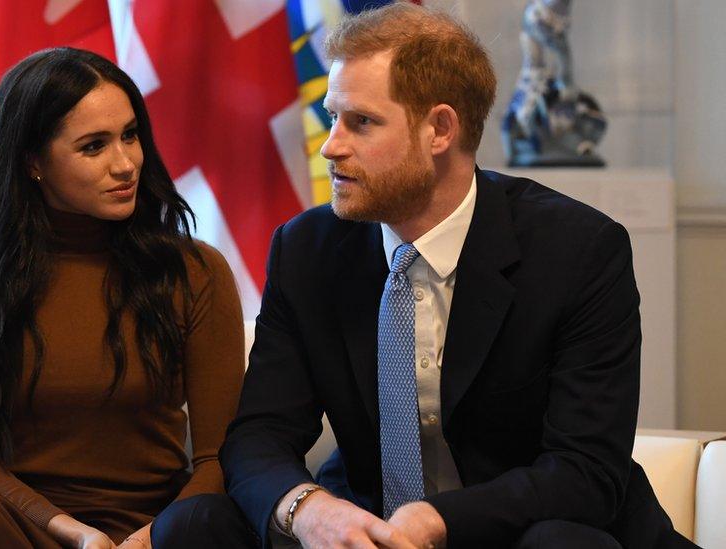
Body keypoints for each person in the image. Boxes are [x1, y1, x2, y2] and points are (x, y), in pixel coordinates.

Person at [154, 4, 693, 548]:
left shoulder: (578, 250)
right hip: (368, 531)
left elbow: (585, 471)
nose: (330, 146)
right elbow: (259, 435)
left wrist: (439, 520)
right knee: (192, 527)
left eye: (360, 122)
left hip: (527, 529)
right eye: (331, 116)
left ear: (439, 129)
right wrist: (309, 510)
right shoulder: (308, 249)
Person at [0, 47, 245, 549]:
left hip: (160, 531)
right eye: (93, 147)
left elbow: (218, 458)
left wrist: (147, 540)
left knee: (211, 518)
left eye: (130, 135)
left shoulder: (194, 269)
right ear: (33, 162)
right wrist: (77, 535)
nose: (125, 164)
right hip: (27, 529)